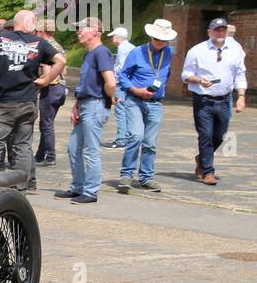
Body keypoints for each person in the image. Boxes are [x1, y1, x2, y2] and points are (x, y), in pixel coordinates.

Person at [0, 9, 65, 193]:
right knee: (23, 145)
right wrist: (46, 80)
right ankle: (23, 186)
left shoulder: (1, 39)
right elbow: (61, 60)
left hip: (6, 102)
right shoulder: (40, 43)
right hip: (28, 101)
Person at [55, 18, 116, 204]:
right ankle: (78, 187)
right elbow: (85, 83)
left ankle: (90, 191)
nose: (78, 32)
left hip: (95, 105)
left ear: (96, 31)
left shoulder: (101, 52)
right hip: (86, 104)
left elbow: (111, 82)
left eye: (82, 29)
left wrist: (107, 98)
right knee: (73, 148)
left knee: (90, 150)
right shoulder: (88, 54)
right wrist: (76, 105)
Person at [181, 17, 247, 186]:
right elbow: (185, 75)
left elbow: (240, 74)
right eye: (217, 30)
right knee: (205, 136)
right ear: (209, 32)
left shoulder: (234, 50)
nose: (220, 33)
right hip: (203, 100)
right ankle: (208, 171)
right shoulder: (197, 50)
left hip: (225, 100)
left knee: (219, 135)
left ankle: (201, 159)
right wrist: (199, 80)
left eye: (223, 30)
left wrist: (241, 96)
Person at [116, 18, 178, 194]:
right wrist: (137, 90)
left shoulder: (169, 53)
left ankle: (146, 178)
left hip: (155, 103)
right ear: (151, 37)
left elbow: (167, 73)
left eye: (164, 40)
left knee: (150, 142)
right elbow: (123, 76)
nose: (160, 43)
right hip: (135, 100)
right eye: (158, 39)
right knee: (136, 136)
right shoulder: (137, 52)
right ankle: (126, 175)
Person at [34, 20, 67, 166]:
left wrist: (34, 83)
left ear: (41, 32)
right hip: (61, 89)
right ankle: (40, 155)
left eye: (36, 31)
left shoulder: (47, 48)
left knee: (46, 124)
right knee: (47, 123)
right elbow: (63, 71)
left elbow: (47, 74)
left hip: (51, 88)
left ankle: (50, 156)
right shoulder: (59, 46)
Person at [102, 26, 136, 148]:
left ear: (117, 37)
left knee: (120, 110)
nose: (112, 38)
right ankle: (129, 136)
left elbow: (121, 67)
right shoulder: (132, 47)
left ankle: (121, 139)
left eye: (113, 36)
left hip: (121, 83)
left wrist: (110, 74)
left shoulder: (122, 48)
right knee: (128, 111)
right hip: (131, 84)